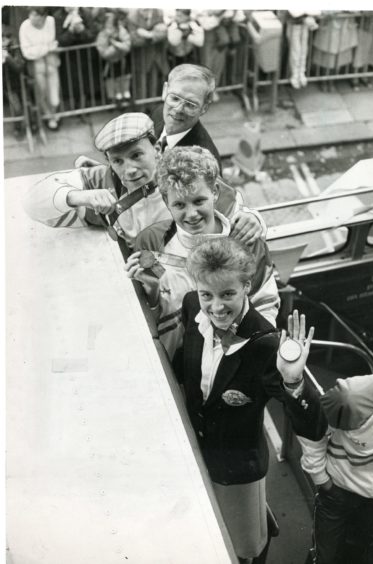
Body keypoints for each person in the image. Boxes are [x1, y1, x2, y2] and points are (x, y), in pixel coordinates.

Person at [173, 240, 327, 563]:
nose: (216, 307)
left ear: (246, 285)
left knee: (247, 549)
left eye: (227, 294)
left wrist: (294, 380)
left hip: (236, 468)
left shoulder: (266, 344)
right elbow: (183, 363)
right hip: (194, 453)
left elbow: (311, 424)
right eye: (207, 295)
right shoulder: (190, 306)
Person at [23, 113, 266, 254]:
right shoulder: (106, 181)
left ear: (157, 149)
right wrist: (80, 197)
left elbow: (243, 218)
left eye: (136, 155)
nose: (128, 170)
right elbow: (32, 203)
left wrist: (254, 219)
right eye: (117, 160)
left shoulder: (184, 174)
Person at [124, 146, 279, 359]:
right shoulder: (150, 241)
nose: (191, 214)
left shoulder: (248, 243)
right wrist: (151, 295)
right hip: (171, 361)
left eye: (199, 201)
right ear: (165, 200)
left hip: (234, 359)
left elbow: (265, 306)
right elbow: (145, 317)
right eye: (179, 204)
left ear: (215, 191)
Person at [299, 342, 373, 564]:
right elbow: (312, 431)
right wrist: (322, 480)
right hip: (340, 491)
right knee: (325, 557)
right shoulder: (350, 398)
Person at [152, 63, 222, 172]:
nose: (178, 109)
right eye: (175, 99)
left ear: (204, 108)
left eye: (190, 105)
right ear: (165, 91)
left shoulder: (203, 163)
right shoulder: (158, 113)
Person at [19, 6, 61, 130]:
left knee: (54, 94)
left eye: (36, 15)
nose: (32, 17)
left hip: (52, 63)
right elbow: (27, 52)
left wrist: (40, 49)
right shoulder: (25, 27)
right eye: (31, 14)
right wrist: (47, 48)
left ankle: (54, 112)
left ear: (43, 16)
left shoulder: (51, 21)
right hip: (37, 65)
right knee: (41, 92)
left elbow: (56, 43)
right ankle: (49, 117)